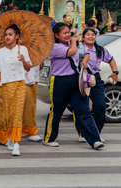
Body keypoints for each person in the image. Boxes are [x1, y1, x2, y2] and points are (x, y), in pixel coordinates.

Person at [43, 22, 103, 150]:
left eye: (68, 32)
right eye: (64, 33)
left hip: (75, 80)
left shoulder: (74, 43)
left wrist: (84, 62)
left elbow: (86, 53)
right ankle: (49, 138)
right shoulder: (54, 47)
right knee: (57, 111)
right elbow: (71, 52)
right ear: (56, 35)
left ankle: (95, 140)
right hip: (60, 81)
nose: (67, 35)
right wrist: (74, 41)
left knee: (84, 110)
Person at [0, 24, 31, 156]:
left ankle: (16, 143)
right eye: (6, 35)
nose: (7, 37)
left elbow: (28, 68)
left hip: (20, 84)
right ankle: (9, 136)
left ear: (17, 36)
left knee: (17, 114)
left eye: (10, 34)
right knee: (7, 114)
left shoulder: (23, 50)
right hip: (5, 86)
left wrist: (23, 60)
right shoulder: (0, 52)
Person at [78, 28, 118, 137]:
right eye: (88, 35)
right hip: (83, 77)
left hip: (95, 78)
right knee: (83, 108)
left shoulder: (100, 49)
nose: (90, 37)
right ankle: (83, 133)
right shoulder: (79, 48)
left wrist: (115, 72)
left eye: (93, 35)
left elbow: (111, 60)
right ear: (83, 36)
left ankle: (96, 133)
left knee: (100, 107)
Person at [22, 64, 42, 142]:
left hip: (33, 78)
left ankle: (27, 130)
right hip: (24, 79)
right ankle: (29, 131)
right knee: (28, 107)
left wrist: (41, 60)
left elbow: (40, 66)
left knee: (30, 107)